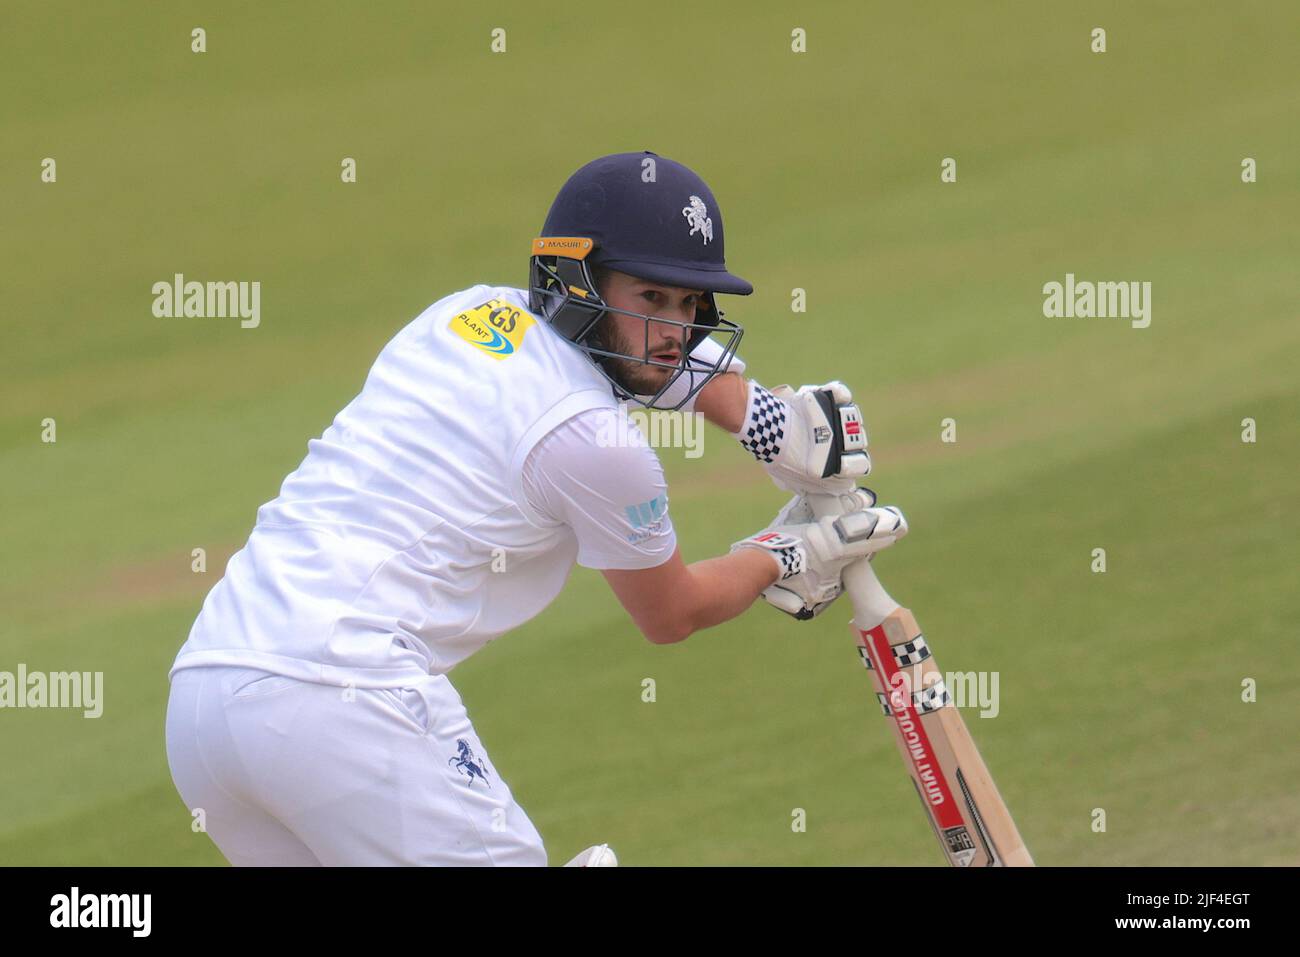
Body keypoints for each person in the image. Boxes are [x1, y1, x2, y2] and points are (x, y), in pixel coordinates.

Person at [164, 151, 908, 866]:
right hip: (344, 698)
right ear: (578, 279)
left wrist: (763, 419)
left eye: (688, 304)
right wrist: (791, 555)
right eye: (651, 296)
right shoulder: (597, 445)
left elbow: (644, 361)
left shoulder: (468, 313)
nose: (674, 330)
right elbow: (670, 612)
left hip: (208, 703)